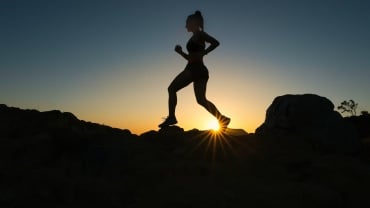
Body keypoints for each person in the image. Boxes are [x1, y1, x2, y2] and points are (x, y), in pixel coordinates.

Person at [159, 10, 230, 129]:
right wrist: (181, 53)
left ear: (193, 23)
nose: (185, 25)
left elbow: (216, 43)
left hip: (195, 69)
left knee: (172, 89)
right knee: (201, 100)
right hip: (200, 70)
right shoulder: (195, 37)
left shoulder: (200, 34)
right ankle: (222, 118)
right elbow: (190, 58)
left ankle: (172, 117)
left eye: (187, 23)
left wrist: (204, 52)